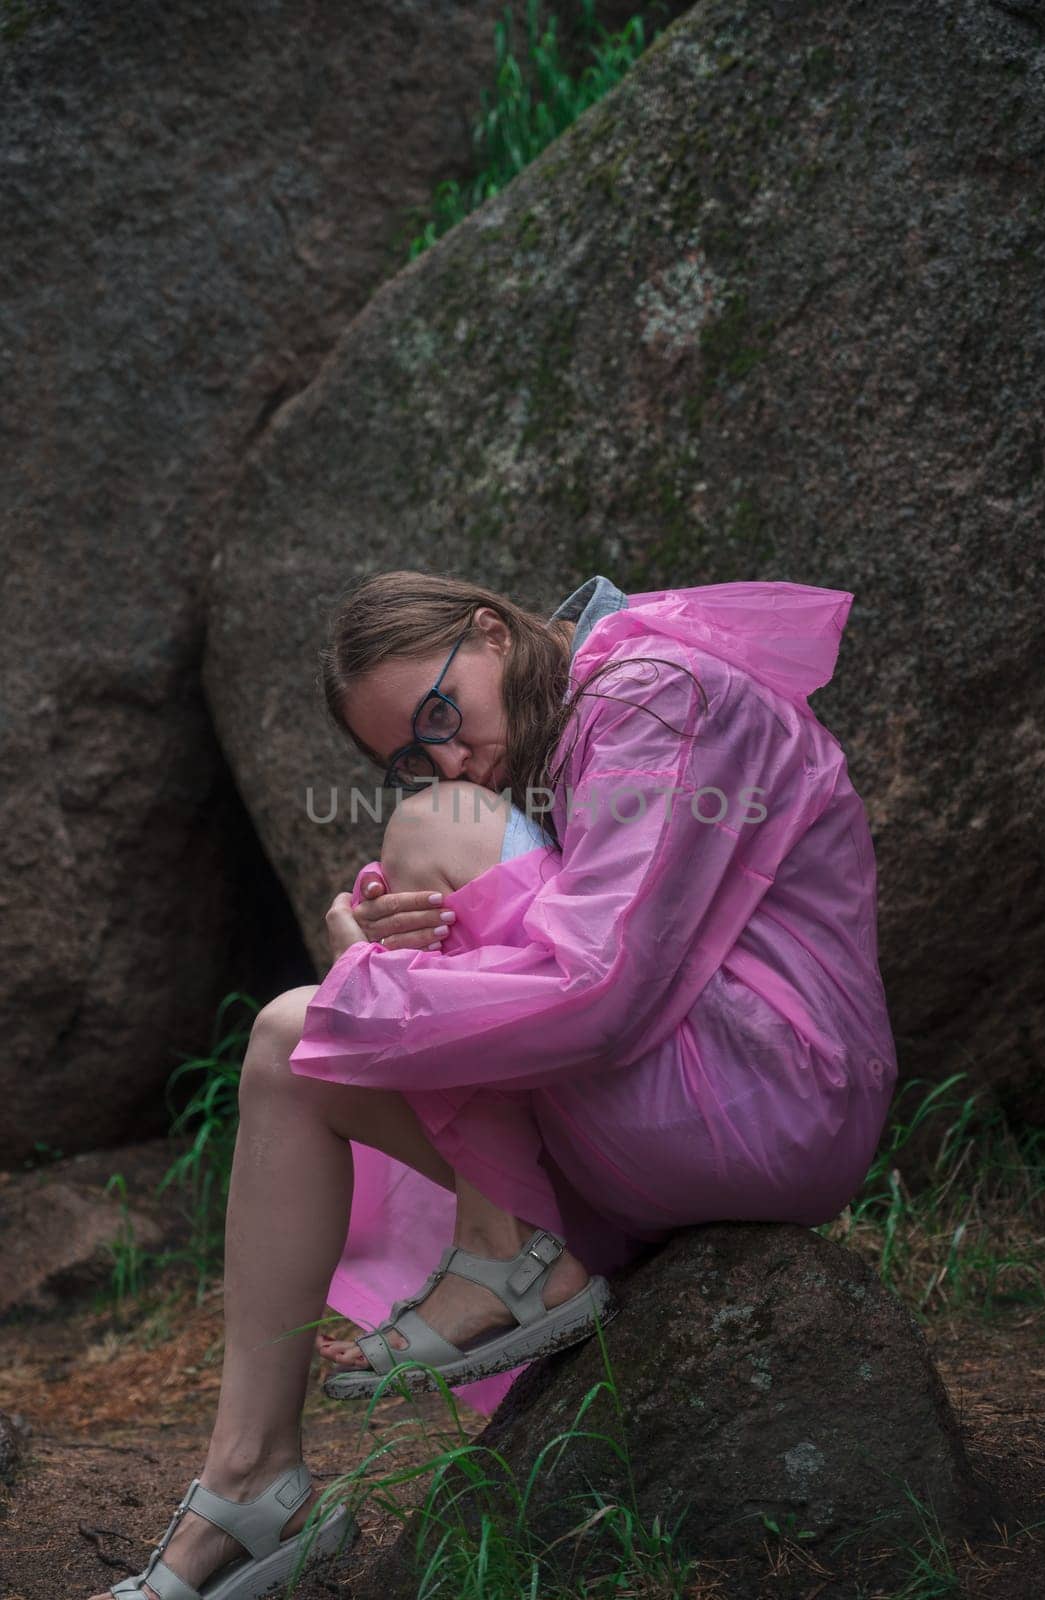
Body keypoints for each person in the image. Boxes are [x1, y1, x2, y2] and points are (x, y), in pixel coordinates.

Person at [91, 571, 898, 1600]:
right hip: (695, 1107)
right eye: (409, 754)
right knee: (287, 1047)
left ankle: (503, 1252)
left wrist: (377, 983)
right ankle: (251, 1479)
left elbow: (601, 984)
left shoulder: (656, 689)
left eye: (441, 714)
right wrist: (400, 957)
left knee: (441, 830)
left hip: (770, 1096)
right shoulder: (594, 717)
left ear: (489, 631)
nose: (446, 753)